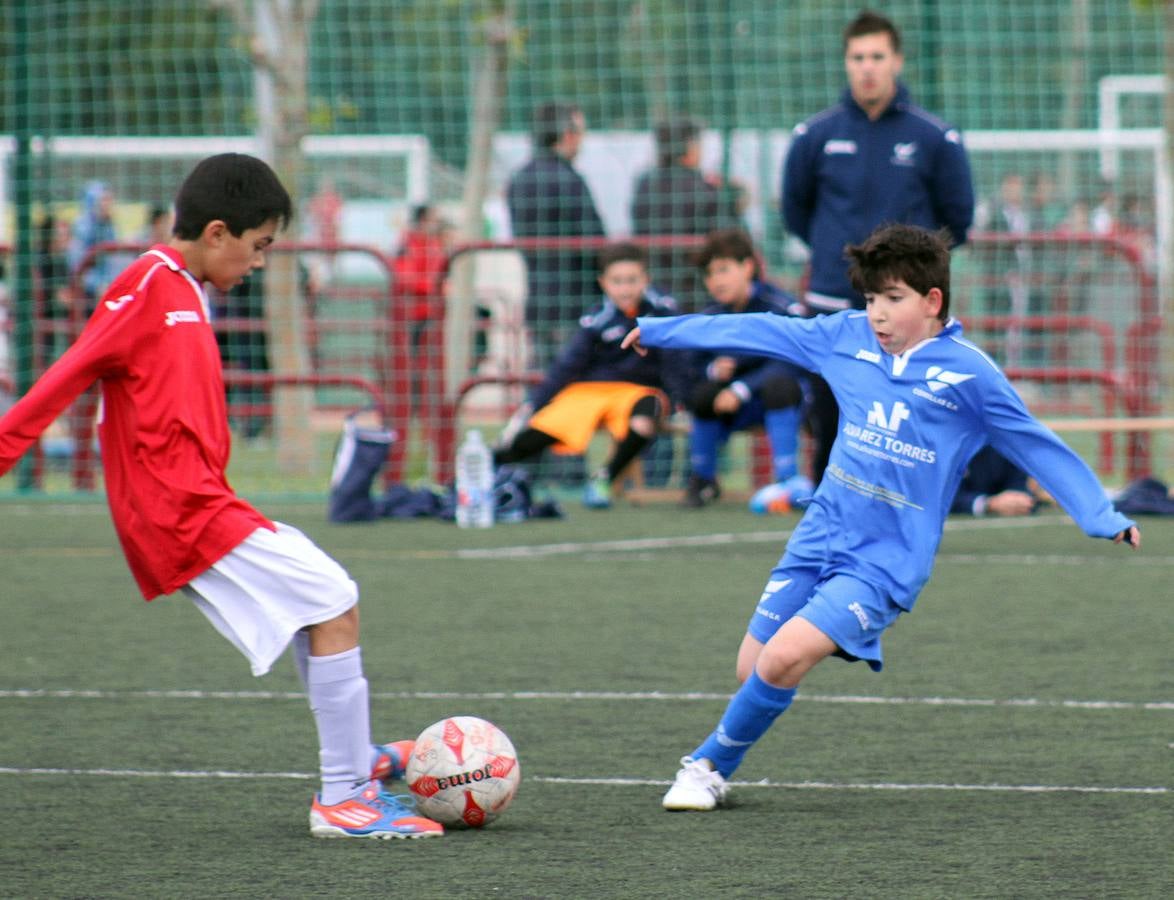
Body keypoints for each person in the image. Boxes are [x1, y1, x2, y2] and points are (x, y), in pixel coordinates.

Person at [0, 153, 444, 840]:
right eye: (259, 246)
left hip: (201, 499)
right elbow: (67, 374)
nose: (261, 262)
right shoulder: (146, 284)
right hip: (176, 510)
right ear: (216, 233)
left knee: (319, 603)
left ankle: (356, 763)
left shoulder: (182, 286)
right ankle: (343, 798)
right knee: (332, 596)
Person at [622, 223, 1139, 811]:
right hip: (819, 535)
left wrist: (1101, 514)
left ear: (932, 301)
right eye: (870, 300)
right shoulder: (844, 337)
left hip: (886, 561)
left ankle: (706, 768)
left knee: (781, 658)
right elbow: (759, 329)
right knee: (752, 670)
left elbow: (1033, 442)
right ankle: (730, 747)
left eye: (892, 299)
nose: (877, 314)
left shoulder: (969, 373)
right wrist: (665, 331)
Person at [781, 10, 975, 487]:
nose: (867, 66)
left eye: (877, 56)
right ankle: (828, 504)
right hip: (832, 298)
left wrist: (904, 278)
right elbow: (795, 211)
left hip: (909, 308)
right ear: (846, 63)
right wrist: (839, 260)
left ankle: (914, 502)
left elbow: (959, 219)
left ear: (897, 61)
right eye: (858, 57)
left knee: (911, 414)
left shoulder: (934, 137)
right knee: (830, 411)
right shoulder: (815, 136)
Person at [493, 242, 691, 509]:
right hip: (591, 391)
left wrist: (680, 398)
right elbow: (567, 365)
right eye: (617, 281)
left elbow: (674, 358)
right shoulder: (597, 318)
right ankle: (489, 466)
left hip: (640, 392)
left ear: (646, 279)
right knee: (544, 427)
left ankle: (603, 478)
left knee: (645, 419)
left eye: (632, 280)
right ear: (603, 283)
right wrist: (533, 404)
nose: (625, 288)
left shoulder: (663, 310)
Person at [680, 229, 812, 512]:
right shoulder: (710, 315)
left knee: (781, 383)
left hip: (786, 400)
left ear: (748, 267)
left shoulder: (781, 307)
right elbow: (691, 366)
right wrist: (713, 370)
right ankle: (703, 479)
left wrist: (741, 389)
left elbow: (794, 358)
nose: (716, 280)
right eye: (709, 274)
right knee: (703, 393)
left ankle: (787, 480)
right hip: (735, 406)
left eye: (723, 270)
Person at [507, 101, 606, 371]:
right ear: (568, 135)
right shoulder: (568, 179)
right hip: (575, 300)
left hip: (540, 297)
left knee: (545, 379)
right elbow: (593, 241)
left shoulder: (520, 179)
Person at [631, 116, 742, 311]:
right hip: (698, 289)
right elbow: (728, 238)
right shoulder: (704, 188)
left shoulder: (645, 185)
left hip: (654, 284)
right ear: (690, 147)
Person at [67, 180, 120, 311]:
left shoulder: (109, 228)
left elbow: (113, 264)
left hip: (106, 291)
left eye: (110, 200)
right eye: (104, 200)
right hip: (86, 295)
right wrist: (97, 285)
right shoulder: (82, 228)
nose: (108, 204)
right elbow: (76, 266)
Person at [950, 445, 1036, 517]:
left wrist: (1020, 500)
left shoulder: (1005, 446)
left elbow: (1018, 484)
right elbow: (944, 495)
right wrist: (988, 504)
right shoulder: (948, 446)